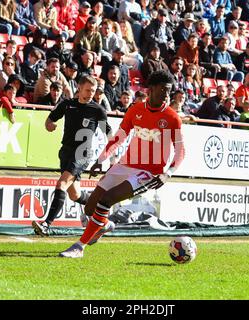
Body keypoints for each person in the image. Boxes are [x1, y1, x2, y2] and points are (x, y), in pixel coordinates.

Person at [58, 70, 185, 258]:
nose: (167, 95)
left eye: (169, 91)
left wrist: (169, 173)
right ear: (151, 89)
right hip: (125, 165)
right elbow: (119, 137)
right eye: (163, 90)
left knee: (107, 200)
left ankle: (79, 247)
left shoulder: (172, 118)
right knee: (90, 207)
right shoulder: (135, 109)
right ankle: (104, 224)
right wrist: (101, 159)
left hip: (149, 173)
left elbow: (181, 151)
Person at [32, 75, 109, 236]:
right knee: (75, 195)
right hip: (66, 151)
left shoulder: (97, 110)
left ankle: (47, 224)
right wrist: (50, 125)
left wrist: (106, 155)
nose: (90, 94)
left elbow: (108, 132)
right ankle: (101, 205)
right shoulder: (67, 105)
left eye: (93, 91)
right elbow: (49, 120)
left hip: (82, 153)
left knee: (61, 184)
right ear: (79, 88)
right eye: (87, 90)